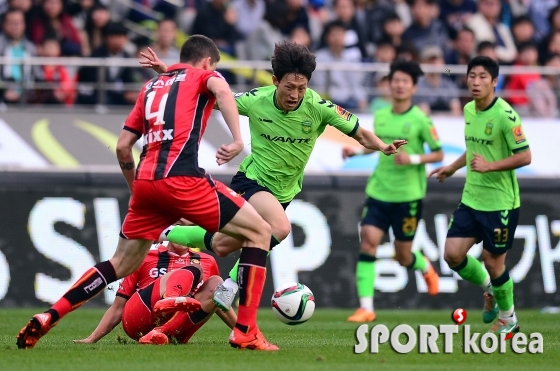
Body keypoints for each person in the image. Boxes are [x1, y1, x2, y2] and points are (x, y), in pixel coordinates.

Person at [17, 35, 277, 352]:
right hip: (183, 179)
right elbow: (221, 90)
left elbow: (124, 147)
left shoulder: (151, 87)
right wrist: (237, 140)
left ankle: (49, 315)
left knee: (118, 264)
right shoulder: (206, 76)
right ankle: (246, 331)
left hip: (145, 183)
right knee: (261, 231)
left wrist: (136, 192)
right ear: (208, 62)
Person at [139, 41, 407, 312]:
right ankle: (231, 285)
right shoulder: (257, 100)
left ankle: (167, 231)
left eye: (301, 88)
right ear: (275, 81)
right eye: (289, 87)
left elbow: (361, 133)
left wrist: (383, 146)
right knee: (278, 228)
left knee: (221, 245)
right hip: (252, 182)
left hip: (284, 192)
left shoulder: (319, 107)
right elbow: (217, 98)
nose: (295, 94)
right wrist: (172, 73)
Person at [429, 56, 531, 335]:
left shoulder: (505, 116)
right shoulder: (469, 110)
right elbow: (473, 149)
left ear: (495, 81)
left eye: (482, 77)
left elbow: (525, 156)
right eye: (472, 76)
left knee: (493, 260)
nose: (475, 82)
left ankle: (509, 319)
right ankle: (490, 291)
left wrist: (490, 166)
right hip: (472, 198)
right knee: (452, 255)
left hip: (501, 204)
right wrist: (451, 168)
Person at [343, 60, 443, 323]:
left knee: (403, 256)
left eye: (404, 81)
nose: (398, 85)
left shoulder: (420, 119)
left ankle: (424, 267)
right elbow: (375, 144)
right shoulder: (381, 115)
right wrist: (354, 151)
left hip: (408, 196)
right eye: (395, 80)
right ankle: (366, 307)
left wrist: (413, 159)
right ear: (389, 84)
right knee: (368, 241)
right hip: (379, 191)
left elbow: (439, 152)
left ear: (413, 87)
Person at [73, 241, 236, 345]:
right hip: (140, 319)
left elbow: (220, 302)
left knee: (217, 283)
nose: (183, 230)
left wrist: (243, 330)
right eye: (178, 226)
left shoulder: (207, 260)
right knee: (193, 270)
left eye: (189, 227)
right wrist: (92, 338)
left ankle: (160, 333)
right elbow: (118, 306)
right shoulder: (145, 257)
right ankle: (170, 299)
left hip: (177, 332)